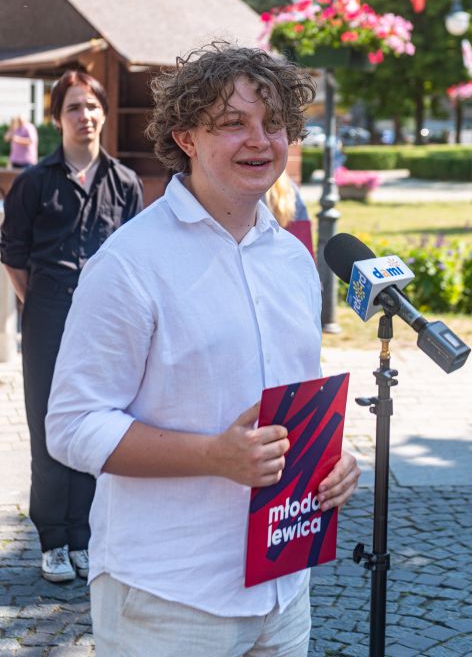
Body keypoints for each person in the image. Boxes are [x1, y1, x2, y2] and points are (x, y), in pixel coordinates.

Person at [46, 44, 359, 657]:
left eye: (274, 123)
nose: (260, 140)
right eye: (233, 123)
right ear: (185, 137)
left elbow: (289, 404)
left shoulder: (293, 259)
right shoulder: (130, 263)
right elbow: (73, 426)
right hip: (169, 594)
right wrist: (213, 456)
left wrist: (331, 458)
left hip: (283, 587)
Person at [0, 70, 143, 584]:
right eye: (73, 108)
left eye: (92, 106)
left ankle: (83, 536)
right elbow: (13, 255)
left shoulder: (124, 183)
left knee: (98, 421)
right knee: (47, 425)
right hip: (48, 314)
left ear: (103, 113)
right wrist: (41, 304)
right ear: (57, 118)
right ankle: (53, 540)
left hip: (107, 323)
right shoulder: (34, 183)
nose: (85, 116)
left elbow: (138, 257)